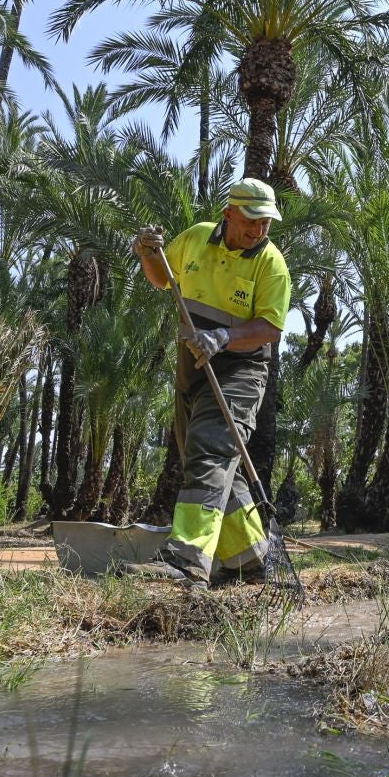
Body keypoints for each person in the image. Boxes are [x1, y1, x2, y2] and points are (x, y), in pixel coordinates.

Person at [124, 178, 291, 589]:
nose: (259, 231)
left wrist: (223, 338)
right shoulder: (197, 238)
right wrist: (147, 252)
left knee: (210, 448)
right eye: (252, 220)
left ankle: (186, 560)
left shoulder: (271, 264)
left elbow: (270, 328)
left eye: (266, 223)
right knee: (218, 466)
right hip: (193, 368)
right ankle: (250, 561)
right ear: (229, 213)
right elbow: (163, 277)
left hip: (241, 369)